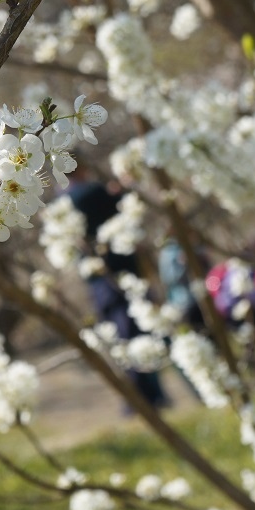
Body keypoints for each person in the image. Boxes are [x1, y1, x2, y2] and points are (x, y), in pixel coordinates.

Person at [67, 172, 169, 408]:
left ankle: (141, 398)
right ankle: (148, 397)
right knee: (136, 334)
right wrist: (120, 189)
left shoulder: (66, 199)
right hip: (120, 276)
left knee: (124, 337)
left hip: (100, 283)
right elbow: (119, 208)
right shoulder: (90, 192)